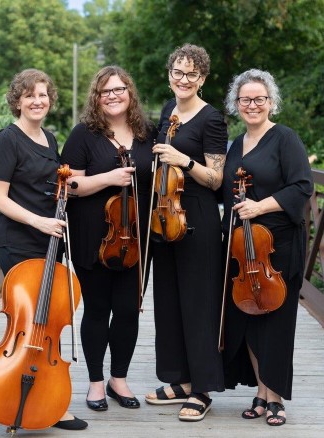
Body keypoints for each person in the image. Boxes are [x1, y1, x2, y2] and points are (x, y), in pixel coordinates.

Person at [0, 68, 87, 431]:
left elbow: (57, 187)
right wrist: (38, 222)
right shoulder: (6, 140)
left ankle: (50, 402)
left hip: (50, 240)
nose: (37, 101)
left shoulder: (50, 137)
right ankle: (13, 395)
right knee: (27, 322)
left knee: (48, 320)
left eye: (43, 95)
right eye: (29, 95)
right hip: (19, 238)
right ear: (17, 100)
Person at [61, 66, 156, 413]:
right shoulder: (83, 134)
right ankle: (96, 383)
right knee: (99, 309)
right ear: (96, 98)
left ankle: (120, 379)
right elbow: (69, 186)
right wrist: (109, 177)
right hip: (94, 236)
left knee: (129, 311)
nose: (113, 96)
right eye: (105, 92)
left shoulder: (148, 133)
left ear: (130, 93)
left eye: (119, 90)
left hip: (136, 238)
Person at [221, 69, 313, 426]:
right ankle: (261, 391)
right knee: (246, 319)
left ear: (271, 102)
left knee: (275, 321)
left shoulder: (285, 138)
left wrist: (260, 206)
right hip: (244, 249)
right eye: (245, 100)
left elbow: (302, 187)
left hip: (278, 246)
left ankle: (275, 397)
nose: (252, 105)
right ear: (236, 105)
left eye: (260, 99)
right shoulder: (236, 143)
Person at [143, 43, 227, 421]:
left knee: (198, 303)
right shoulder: (168, 111)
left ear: (202, 79)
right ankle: (181, 381)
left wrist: (184, 160)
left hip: (198, 219)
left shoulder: (212, 120)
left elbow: (216, 179)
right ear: (169, 74)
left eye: (191, 74)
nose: (183, 79)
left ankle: (204, 387)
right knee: (170, 303)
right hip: (166, 216)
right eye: (177, 71)